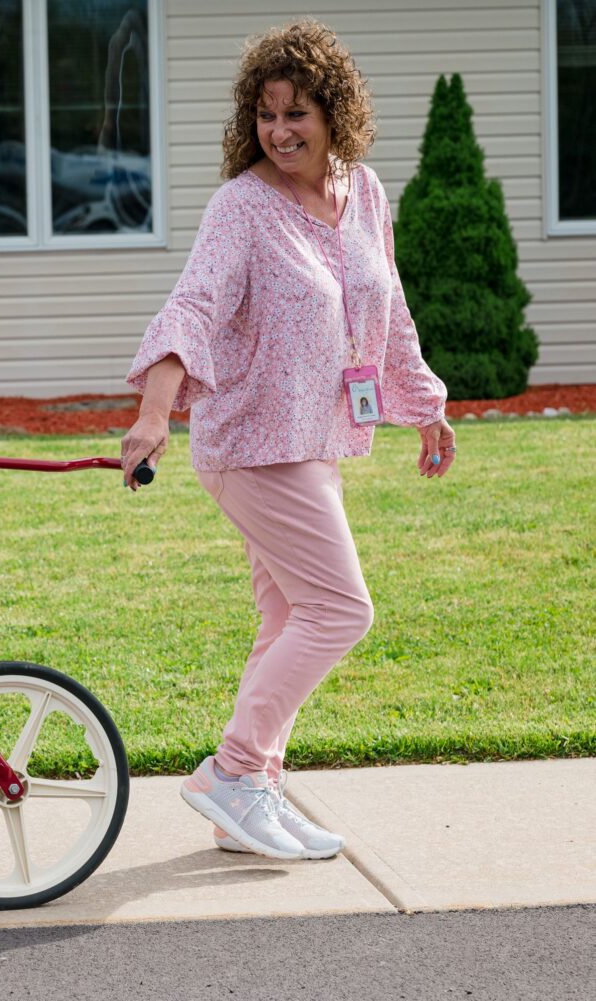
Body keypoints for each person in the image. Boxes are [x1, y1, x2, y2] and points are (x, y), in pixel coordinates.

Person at [119, 21, 455, 861]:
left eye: (297, 112)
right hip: (252, 446)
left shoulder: (364, 192)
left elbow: (391, 312)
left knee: (287, 619)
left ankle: (255, 793)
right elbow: (191, 308)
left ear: (335, 112)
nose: (280, 130)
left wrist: (425, 403)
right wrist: (156, 413)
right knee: (342, 609)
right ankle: (231, 772)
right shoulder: (241, 207)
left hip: (319, 442)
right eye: (266, 115)